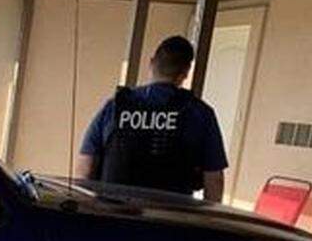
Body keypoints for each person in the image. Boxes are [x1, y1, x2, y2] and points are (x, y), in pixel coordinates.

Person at [75, 36, 228, 202]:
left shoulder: (115, 107)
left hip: (113, 216)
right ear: (185, 72)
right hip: (169, 220)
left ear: (151, 62)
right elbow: (214, 179)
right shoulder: (199, 113)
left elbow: (85, 168)